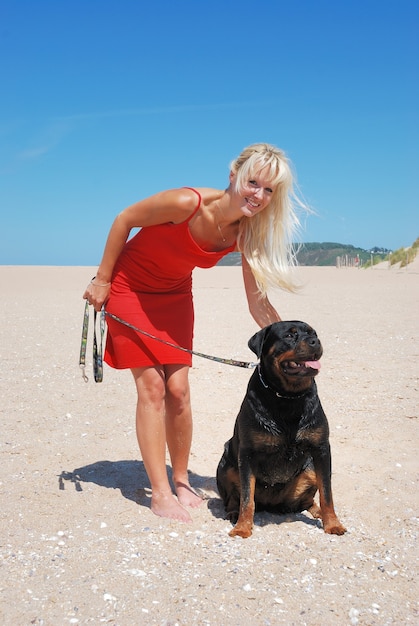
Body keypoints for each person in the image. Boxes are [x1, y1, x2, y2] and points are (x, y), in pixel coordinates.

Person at [83, 142, 304, 523]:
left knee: (179, 391)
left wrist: (288, 345)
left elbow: (257, 302)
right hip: (129, 288)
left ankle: (181, 479)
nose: (260, 195)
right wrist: (102, 280)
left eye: (269, 190)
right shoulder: (188, 202)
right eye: (253, 183)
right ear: (234, 175)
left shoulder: (248, 231)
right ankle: (161, 491)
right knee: (152, 387)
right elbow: (124, 219)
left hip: (174, 295)